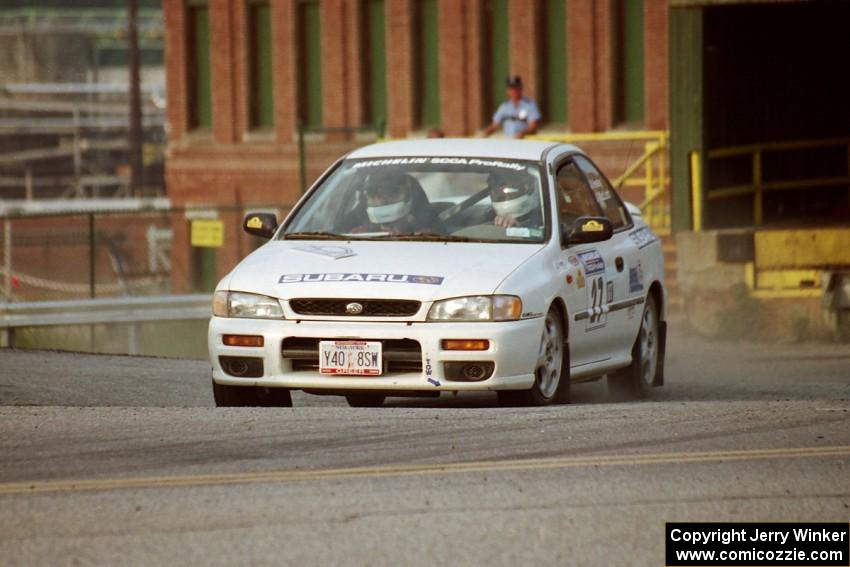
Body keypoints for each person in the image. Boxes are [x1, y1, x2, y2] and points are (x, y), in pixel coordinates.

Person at [353, 170, 443, 234]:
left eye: (390, 193)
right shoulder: (362, 228)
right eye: (373, 196)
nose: (381, 202)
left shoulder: (429, 229)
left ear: (409, 193)